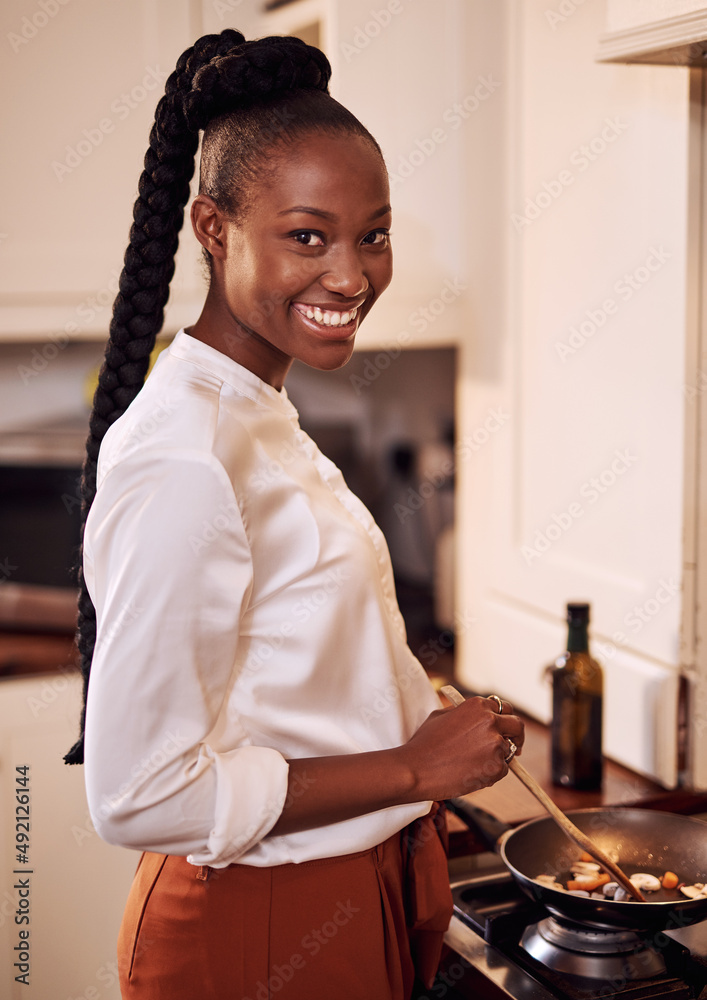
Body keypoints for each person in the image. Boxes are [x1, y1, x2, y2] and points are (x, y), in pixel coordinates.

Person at [64, 28, 525, 1000]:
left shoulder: (254, 409)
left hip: (338, 891)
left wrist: (415, 710)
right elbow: (139, 793)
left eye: (373, 233)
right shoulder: (184, 456)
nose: (351, 275)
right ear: (213, 226)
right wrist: (409, 764)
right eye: (306, 235)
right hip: (258, 927)